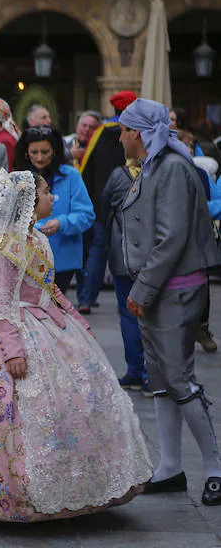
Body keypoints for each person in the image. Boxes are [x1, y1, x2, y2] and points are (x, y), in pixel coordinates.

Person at [0, 169, 152, 521]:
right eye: (46, 193)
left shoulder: (36, 238)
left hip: (44, 323)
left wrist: (76, 321)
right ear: (28, 202)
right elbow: (0, 302)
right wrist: (13, 351)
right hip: (9, 333)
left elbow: (50, 290)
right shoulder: (4, 247)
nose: (52, 198)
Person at [119, 98, 221, 506]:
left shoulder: (174, 169)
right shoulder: (159, 165)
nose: (120, 136)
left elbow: (172, 237)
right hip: (162, 287)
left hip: (174, 289)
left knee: (179, 379)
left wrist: (142, 290)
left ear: (140, 134)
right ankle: (170, 468)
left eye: (124, 129)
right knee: (161, 381)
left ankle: (214, 469)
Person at [14, 125, 94, 294]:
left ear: (55, 151)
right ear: (26, 153)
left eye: (45, 152)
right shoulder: (19, 177)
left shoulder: (71, 175)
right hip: (26, 258)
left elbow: (86, 214)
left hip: (62, 260)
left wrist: (61, 223)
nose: (40, 158)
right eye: (34, 152)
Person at [75, 91, 136, 312]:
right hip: (131, 199)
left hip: (101, 202)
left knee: (97, 249)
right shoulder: (138, 131)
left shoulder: (101, 131)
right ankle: (133, 296)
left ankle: (86, 298)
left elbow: (86, 167)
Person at [103, 156, 150, 395]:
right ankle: (151, 376)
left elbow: (104, 208)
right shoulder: (157, 174)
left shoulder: (117, 176)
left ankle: (134, 372)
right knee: (152, 316)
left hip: (122, 256)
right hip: (152, 258)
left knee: (129, 315)